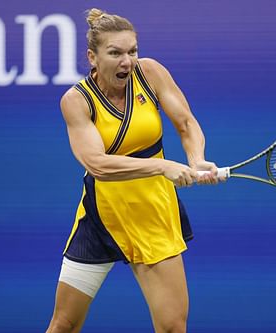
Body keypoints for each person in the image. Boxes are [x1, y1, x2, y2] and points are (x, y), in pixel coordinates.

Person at [46, 8, 219, 333]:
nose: (127, 61)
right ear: (92, 57)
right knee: (64, 326)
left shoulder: (150, 73)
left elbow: (186, 123)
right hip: (101, 219)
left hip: (153, 213)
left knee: (172, 327)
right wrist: (161, 166)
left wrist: (196, 158)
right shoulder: (76, 100)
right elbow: (97, 164)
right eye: (115, 53)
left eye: (132, 51)